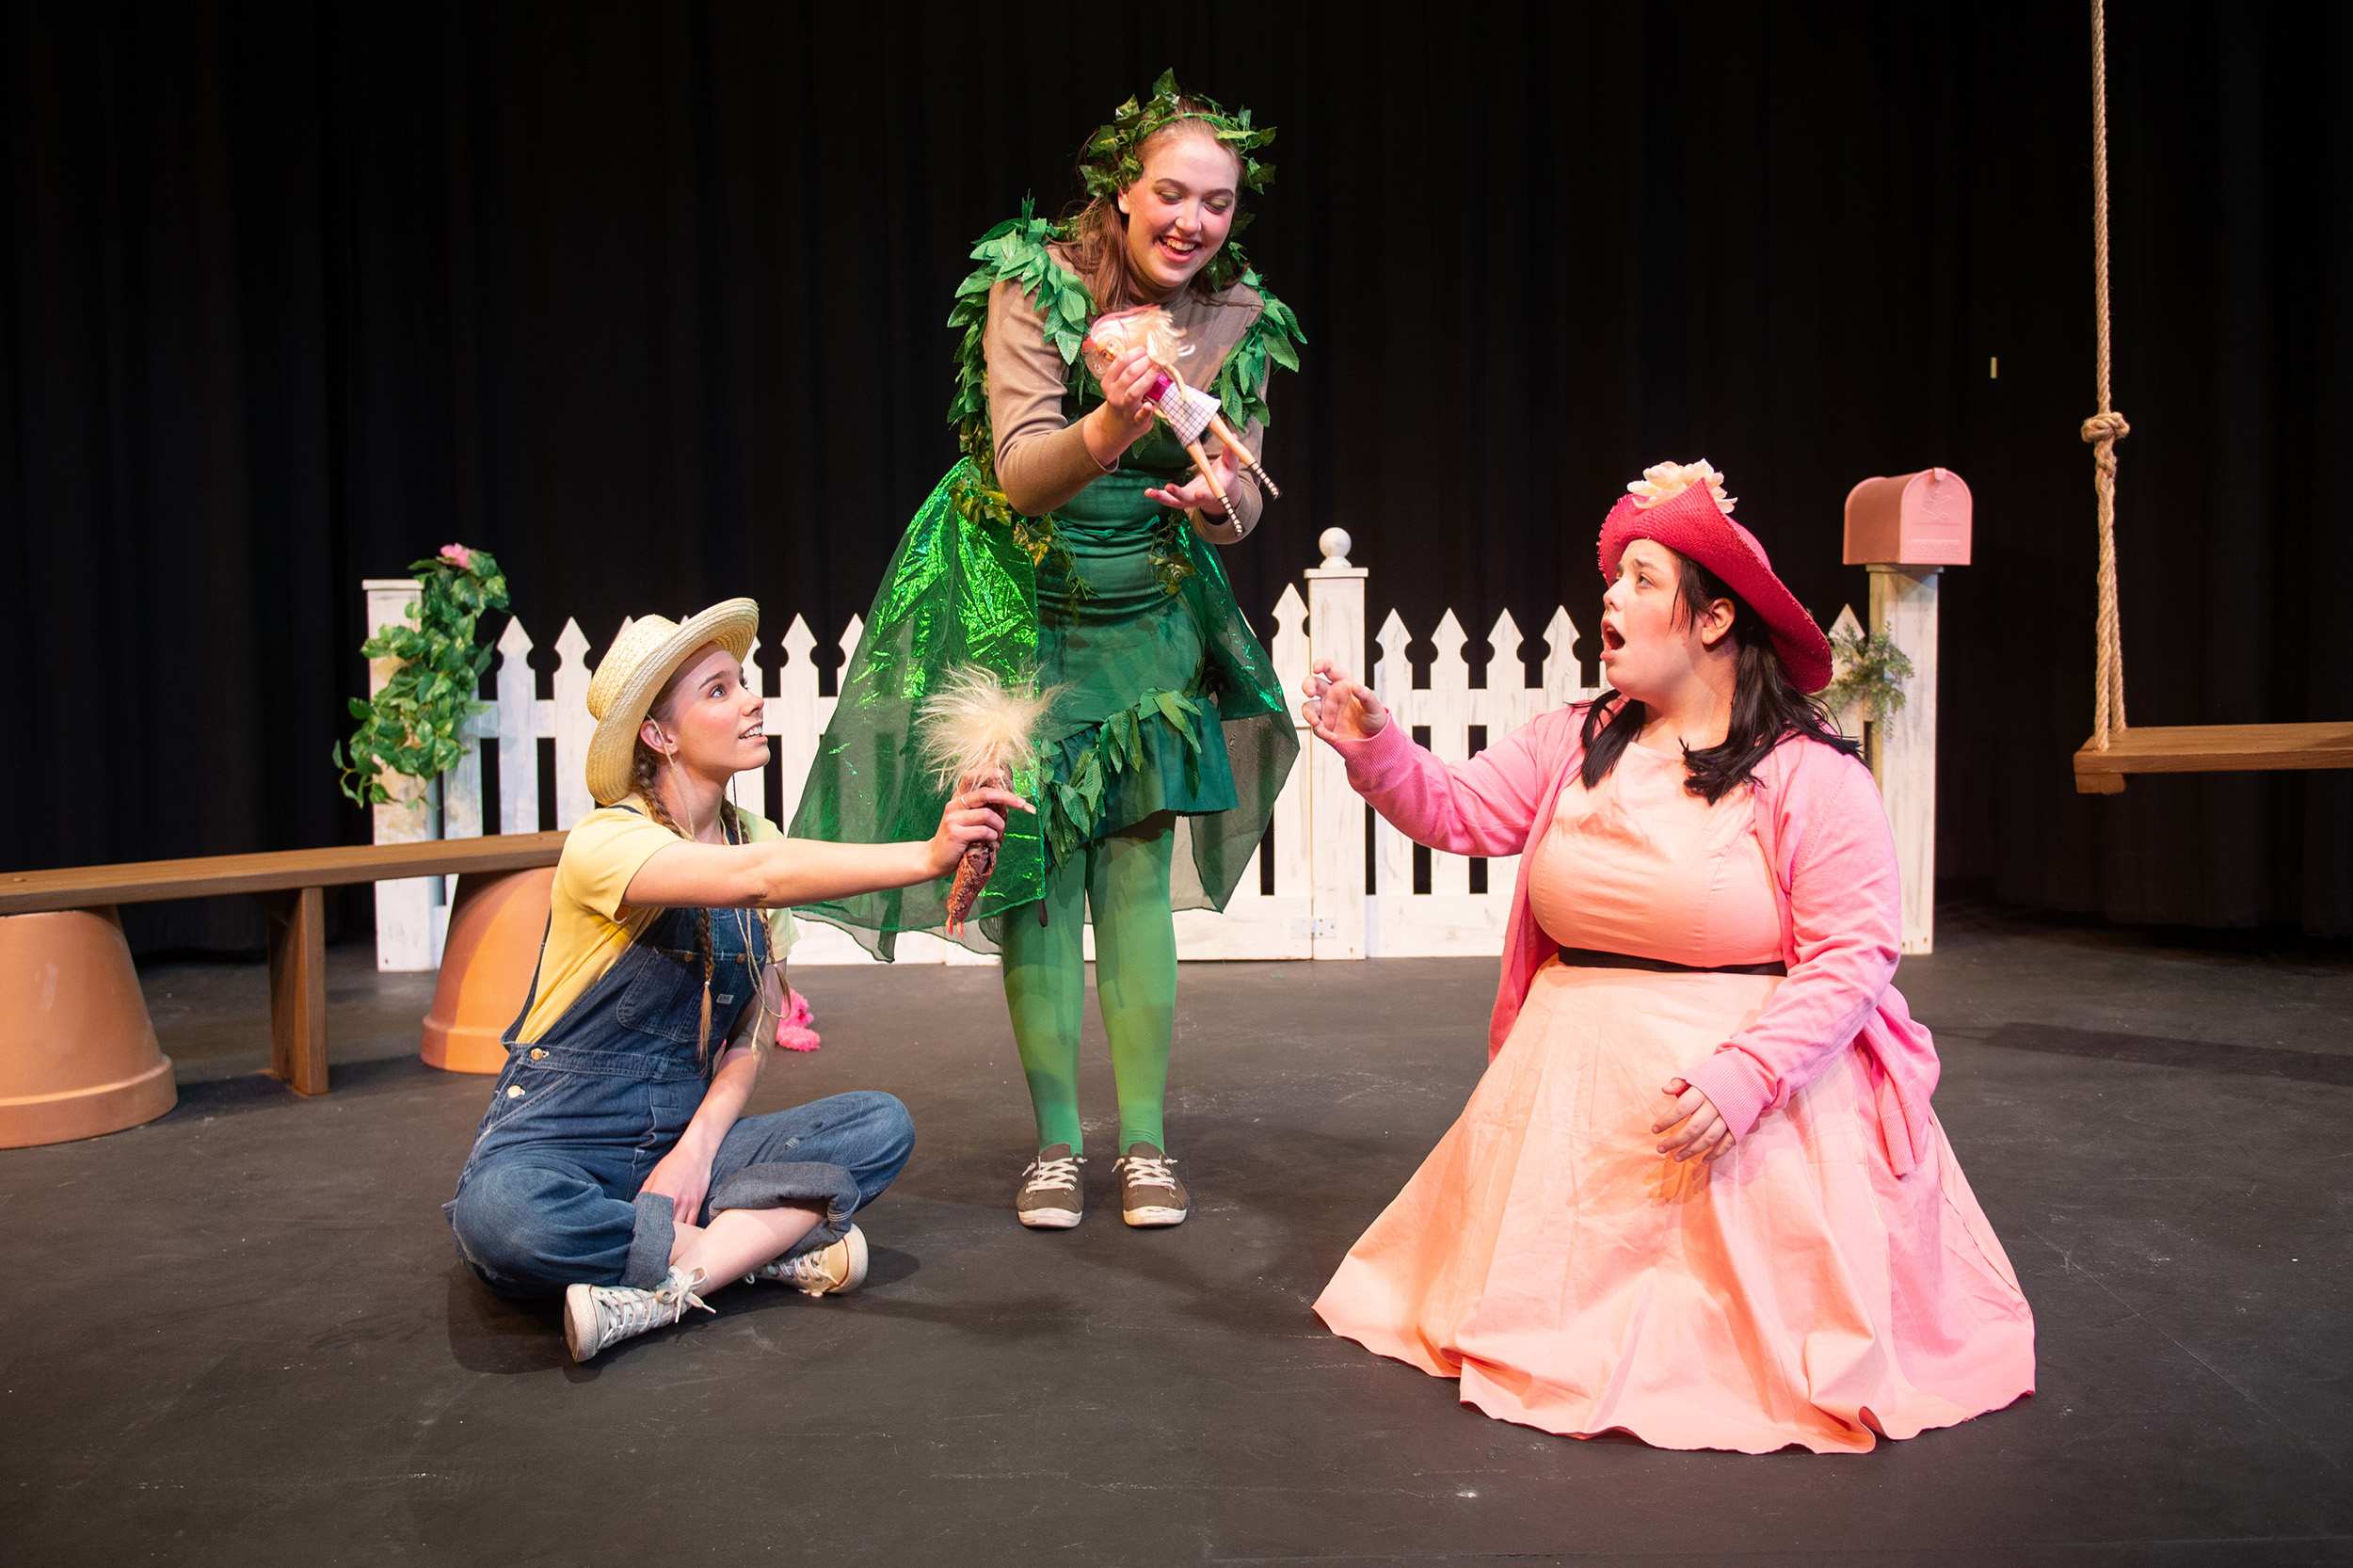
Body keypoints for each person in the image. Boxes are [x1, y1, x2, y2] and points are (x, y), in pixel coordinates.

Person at [1299, 463, 2036, 1453]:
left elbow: (1853, 954)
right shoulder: (1578, 738)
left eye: (1642, 579)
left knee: (1717, 1344)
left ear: (1714, 620)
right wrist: (1378, 749)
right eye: (1615, 579)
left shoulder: (1807, 774)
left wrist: (1744, 1074)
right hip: (1570, 1089)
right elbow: (1462, 810)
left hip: (1742, 1100)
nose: (1609, 595)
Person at [791, 72, 1304, 1231]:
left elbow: (1247, 494)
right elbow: (1022, 468)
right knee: (1035, 876)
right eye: (1170, 194)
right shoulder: (1036, 287)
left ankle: (1146, 1146)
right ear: (1120, 193)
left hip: (1146, 613)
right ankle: (1058, 1145)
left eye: (1216, 203)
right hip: (1024, 600)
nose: (1192, 221)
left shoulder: (1239, 314)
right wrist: (1118, 414)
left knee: (1130, 867)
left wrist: (1216, 498)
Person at [446, 599, 1028, 1363]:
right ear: (657, 735)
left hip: (690, 1138)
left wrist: (695, 1148)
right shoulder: (607, 840)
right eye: (718, 691)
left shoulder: (757, 835)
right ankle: (745, 1256)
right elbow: (755, 880)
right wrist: (926, 855)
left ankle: (663, 1283)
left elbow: (754, 1029)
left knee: (880, 1123)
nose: (753, 699)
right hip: (563, 1136)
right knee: (505, 1220)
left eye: (744, 680)